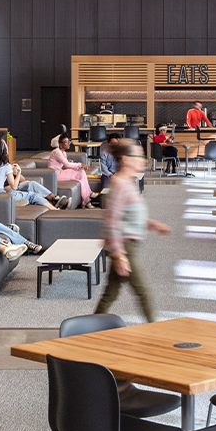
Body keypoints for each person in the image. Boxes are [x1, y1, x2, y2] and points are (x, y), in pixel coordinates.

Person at [94, 139, 171, 322]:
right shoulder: (120, 185)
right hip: (125, 247)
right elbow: (112, 222)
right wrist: (120, 255)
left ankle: (89, 331)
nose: (143, 160)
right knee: (143, 293)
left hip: (126, 245)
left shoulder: (128, 183)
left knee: (110, 294)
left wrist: (153, 225)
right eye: (140, 156)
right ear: (127, 159)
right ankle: (156, 331)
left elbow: (130, 217)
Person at [0, 137, 65, 209]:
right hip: (3, 195)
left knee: (30, 188)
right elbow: (14, 186)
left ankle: (52, 201)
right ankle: (54, 211)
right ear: (3, 151)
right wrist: (19, 172)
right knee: (33, 195)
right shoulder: (6, 166)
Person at [48, 135, 92, 204]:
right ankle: (87, 198)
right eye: (66, 142)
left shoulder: (63, 152)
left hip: (60, 172)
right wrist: (80, 165)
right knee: (80, 172)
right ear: (60, 144)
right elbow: (68, 164)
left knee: (81, 171)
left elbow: (66, 166)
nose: (69, 144)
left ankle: (87, 197)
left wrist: (80, 167)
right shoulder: (57, 152)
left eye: (69, 141)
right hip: (55, 174)